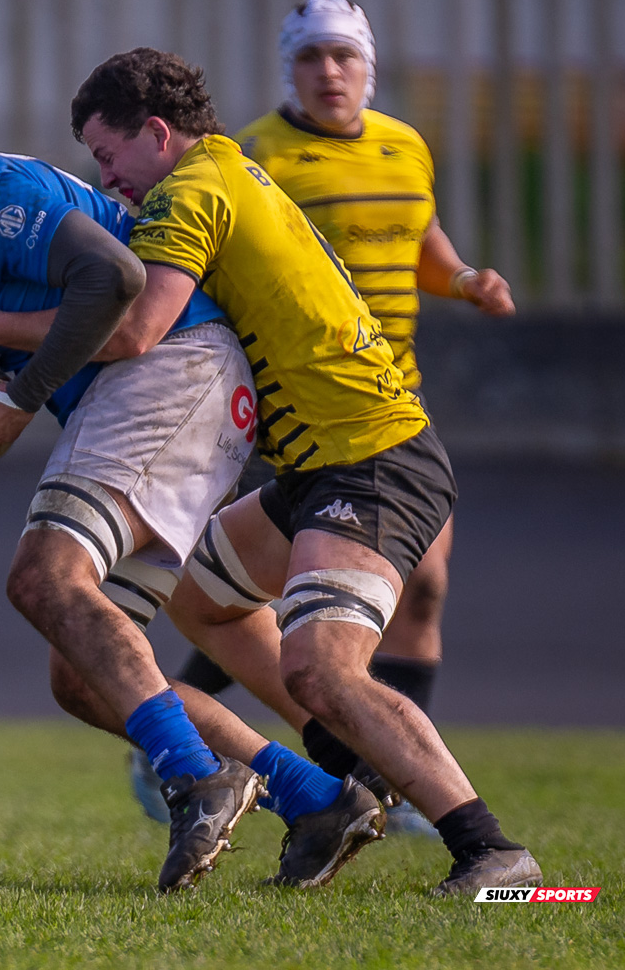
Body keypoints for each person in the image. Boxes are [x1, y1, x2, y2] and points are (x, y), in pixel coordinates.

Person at [0, 133, 384, 891]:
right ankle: (318, 798)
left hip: (174, 367)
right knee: (83, 677)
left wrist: (18, 400)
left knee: (43, 579)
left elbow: (115, 276)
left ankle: (199, 779)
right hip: (153, 398)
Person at [73, 47, 539, 896]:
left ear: (156, 133)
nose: (108, 181)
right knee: (198, 599)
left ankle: (492, 853)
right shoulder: (229, 166)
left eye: (108, 157)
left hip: (371, 458)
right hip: (324, 462)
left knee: (319, 668)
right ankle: (347, 779)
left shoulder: (190, 192)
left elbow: (139, 333)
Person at [163, 0, 515, 838]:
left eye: (344, 57)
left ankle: (393, 786)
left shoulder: (405, 146)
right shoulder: (255, 155)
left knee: (412, 592)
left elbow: (416, 235)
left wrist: (464, 278)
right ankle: (244, 749)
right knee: (281, 608)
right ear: (291, 67)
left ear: (369, 66)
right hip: (299, 409)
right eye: (312, 57)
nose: (329, 72)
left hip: (392, 407)